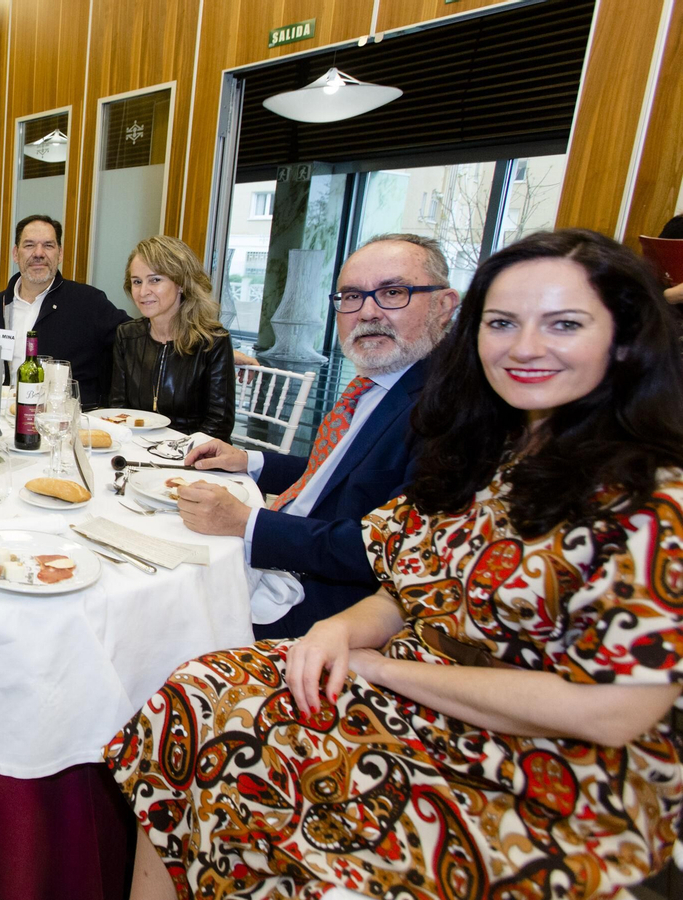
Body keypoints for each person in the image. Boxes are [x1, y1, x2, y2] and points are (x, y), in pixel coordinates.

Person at [106, 228, 683, 900]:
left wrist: (378, 666)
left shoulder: (653, 499)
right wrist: (341, 631)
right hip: (416, 692)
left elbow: (614, 713)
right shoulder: (494, 453)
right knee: (190, 694)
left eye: (564, 324)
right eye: (503, 323)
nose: (525, 346)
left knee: (215, 710)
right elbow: (406, 576)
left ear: (624, 339)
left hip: (544, 771)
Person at [178, 234, 459, 639]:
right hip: (280, 553)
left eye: (393, 293)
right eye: (352, 296)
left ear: (443, 306)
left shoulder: (448, 412)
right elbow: (334, 476)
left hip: (318, 603)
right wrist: (249, 461)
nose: (368, 312)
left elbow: (387, 553)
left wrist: (247, 522)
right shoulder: (379, 384)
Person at [0, 214, 128, 408]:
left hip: (65, 419)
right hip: (1, 417)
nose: (38, 253)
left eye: (48, 245)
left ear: (60, 254)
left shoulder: (89, 303)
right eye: (29, 245)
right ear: (15, 254)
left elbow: (133, 341)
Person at [107, 236, 235, 440]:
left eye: (155, 280)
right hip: (137, 447)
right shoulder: (127, 335)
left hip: (194, 451)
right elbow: (118, 408)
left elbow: (219, 424)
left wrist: (172, 450)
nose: (143, 292)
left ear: (181, 283)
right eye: (137, 282)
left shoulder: (214, 341)